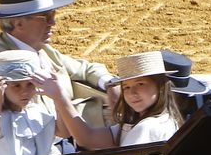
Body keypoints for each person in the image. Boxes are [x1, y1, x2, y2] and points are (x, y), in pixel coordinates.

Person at [0, 0, 119, 155]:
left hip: (65, 140)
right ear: (18, 23)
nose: (53, 23)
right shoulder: (0, 67)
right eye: (46, 17)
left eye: (53, 16)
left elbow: (85, 68)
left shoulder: (42, 49)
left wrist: (110, 83)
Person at [50, 50, 183, 149]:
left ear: (160, 86)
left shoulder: (146, 127)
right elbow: (87, 138)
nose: (132, 93)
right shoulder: (161, 120)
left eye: (140, 84)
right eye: (126, 87)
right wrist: (60, 98)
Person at [0, 51, 75, 155]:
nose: (24, 92)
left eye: (30, 84)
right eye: (16, 86)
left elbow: (64, 132)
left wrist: (57, 99)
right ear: (1, 86)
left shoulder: (38, 112)